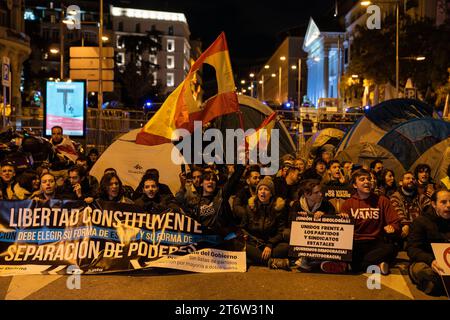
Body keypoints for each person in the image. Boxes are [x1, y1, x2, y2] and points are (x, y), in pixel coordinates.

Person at [341, 169, 401, 275]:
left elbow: (395, 221)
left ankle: (355, 266)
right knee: (346, 252)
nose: (367, 182)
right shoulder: (348, 204)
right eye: (362, 179)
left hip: (376, 242)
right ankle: (376, 265)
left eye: (369, 179)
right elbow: (342, 232)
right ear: (355, 185)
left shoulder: (382, 200)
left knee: (392, 248)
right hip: (356, 242)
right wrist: (342, 220)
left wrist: (392, 227)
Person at [287, 179, 346, 273]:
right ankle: (314, 263)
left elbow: (335, 224)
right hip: (304, 240)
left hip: (322, 242)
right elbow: (290, 223)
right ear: (306, 194)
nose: (320, 194)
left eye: (320, 191)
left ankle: (314, 263)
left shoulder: (326, 204)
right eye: (316, 192)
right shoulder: (297, 205)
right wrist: (300, 219)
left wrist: (325, 215)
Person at [240, 176, 290, 270]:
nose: (262, 191)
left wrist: (270, 245)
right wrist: (245, 235)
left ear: (271, 194)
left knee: (287, 247)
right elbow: (243, 227)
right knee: (238, 244)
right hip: (254, 243)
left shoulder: (278, 208)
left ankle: (256, 259)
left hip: (271, 244)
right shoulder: (249, 207)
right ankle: (274, 262)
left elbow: (281, 231)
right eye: (260, 189)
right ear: (257, 192)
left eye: (266, 189)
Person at [407, 189, 450, 296]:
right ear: (434, 204)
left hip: (448, 262)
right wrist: (431, 261)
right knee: (423, 272)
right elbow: (412, 249)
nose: (449, 205)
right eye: (443, 202)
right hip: (427, 261)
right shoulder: (420, 222)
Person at [390, 172, 431, 242]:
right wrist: (406, 224)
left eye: (413, 179)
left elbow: (429, 210)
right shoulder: (395, 197)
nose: (411, 180)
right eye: (407, 178)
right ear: (401, 182)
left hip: (419, 229)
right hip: (403, 228)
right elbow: (398, 213)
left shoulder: (421, 196)